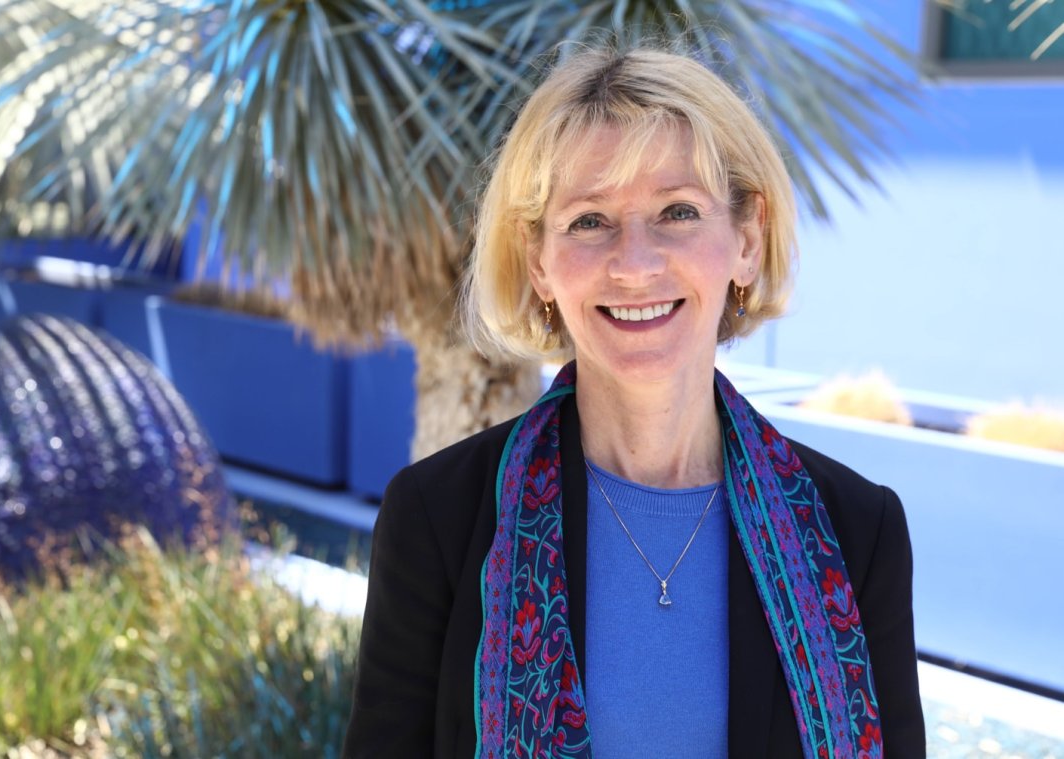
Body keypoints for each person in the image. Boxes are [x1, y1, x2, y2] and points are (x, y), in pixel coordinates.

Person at [344, 44, 925, 758]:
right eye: (590, 220)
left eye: (677, 210)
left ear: (746, 239)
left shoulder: (857, 531)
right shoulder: (440, 520)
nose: (635, 263)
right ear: (538, 263)